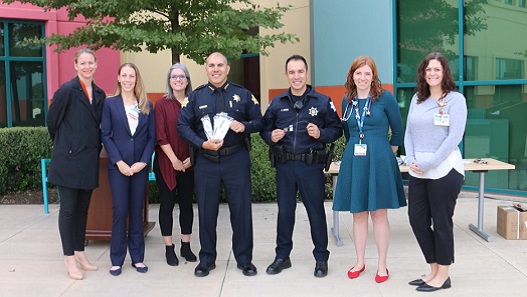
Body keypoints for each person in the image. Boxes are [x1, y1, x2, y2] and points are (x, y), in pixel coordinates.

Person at [178, 52, 264, 277]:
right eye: (211, 66)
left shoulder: (243, 94)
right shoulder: (195, 97)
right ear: (206, 69)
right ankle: (207, 259)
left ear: (227, 68)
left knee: (241, 211)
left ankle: (244, 260)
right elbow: (182, 126)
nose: (215, 69)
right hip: (206, 161)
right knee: (206, 212)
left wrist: (244, 126)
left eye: (220, 65)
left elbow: (260, 121)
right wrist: (201, 143)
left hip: (236, 159)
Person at [260, 54, 342, 278]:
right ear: (286, 75)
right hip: (285, 166)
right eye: (292, 72)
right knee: (285, 212)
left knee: (316, 213)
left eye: (300, 71)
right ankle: (282, 256)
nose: (296, 76)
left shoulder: (322, 102)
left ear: (306, 73)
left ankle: (321, 259)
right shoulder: (277, 103)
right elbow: (263, 130)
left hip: (310, 166)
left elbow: (337, 129)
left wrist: (321, 134)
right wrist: (271, 137)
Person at [332, 56, 406, 283]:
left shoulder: (386, 99)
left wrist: (385, 152)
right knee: (358, 213)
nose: (362, 77)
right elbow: (347, 132)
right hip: (356, 158)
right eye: (358, 73)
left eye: (367, 73)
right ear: (351, 76)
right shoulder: (347, 101)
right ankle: (360, 261)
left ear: (373, 76)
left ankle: (382, 265)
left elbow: (398, 132)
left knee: (379, 214)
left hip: (380, 158)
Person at [405, 52, 466, 292]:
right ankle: (433, 269)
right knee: (417, 219)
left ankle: (443, 274)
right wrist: (410, 159)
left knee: (442, 222)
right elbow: (408, 132)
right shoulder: (417, 100)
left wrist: (430, 162)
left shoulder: (455, 100)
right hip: (418, 170)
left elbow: (454, 137)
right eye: (428, 70)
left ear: (444, 73)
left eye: (437, 70)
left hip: (444, 169)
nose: (432, 73)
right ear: (423, 73)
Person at [47, 48, 105, 280]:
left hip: (88, 160)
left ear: (96, 65)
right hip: (69, 161)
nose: (87, 66)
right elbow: (52, 122)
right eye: (83, 63)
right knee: (69, 211)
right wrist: (66, 146)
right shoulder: (67, 91)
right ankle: (69, 258)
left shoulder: (99, 93)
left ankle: (80, 253)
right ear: (75, 65)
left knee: (83, 210)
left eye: (91, 62)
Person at [101, 63, 156, 276]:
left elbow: (152, 137)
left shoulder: (146, 105)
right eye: (124, 75)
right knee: (120, 211)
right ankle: (116, 259)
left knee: (136, 213)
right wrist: (119, 162)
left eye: (131, 76)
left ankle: (138, 258)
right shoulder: (110, 104)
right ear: (118, 78)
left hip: (139, 168)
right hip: (119, 168)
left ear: (136, 79)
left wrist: (143, 162)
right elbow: (105, 135)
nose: (127, 79)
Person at [153, 63, 197, 266]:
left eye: (182, 76)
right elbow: (160, 135)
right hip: (166, 162)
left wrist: (191, 157)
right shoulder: (161, 104)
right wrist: (174, 160)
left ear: (187, 80)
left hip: (189, 163)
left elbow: (200, 132)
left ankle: (186, 246)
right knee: (167, 205)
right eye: (174, 77)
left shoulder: (194, 102)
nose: (178, 79)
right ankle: (169, 248)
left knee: (187, 205)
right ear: (169, 81)